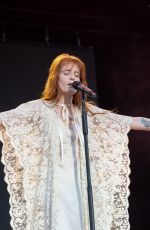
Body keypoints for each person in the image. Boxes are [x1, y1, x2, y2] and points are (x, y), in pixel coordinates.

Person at [0, 53, 150, 230]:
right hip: (54, 189)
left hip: (81, 187)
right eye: (67, 73)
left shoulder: (87, 113)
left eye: (77, 74)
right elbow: (5, 119)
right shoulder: (37, 109)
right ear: (55, 77)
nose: (73, 77)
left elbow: (128, 121)